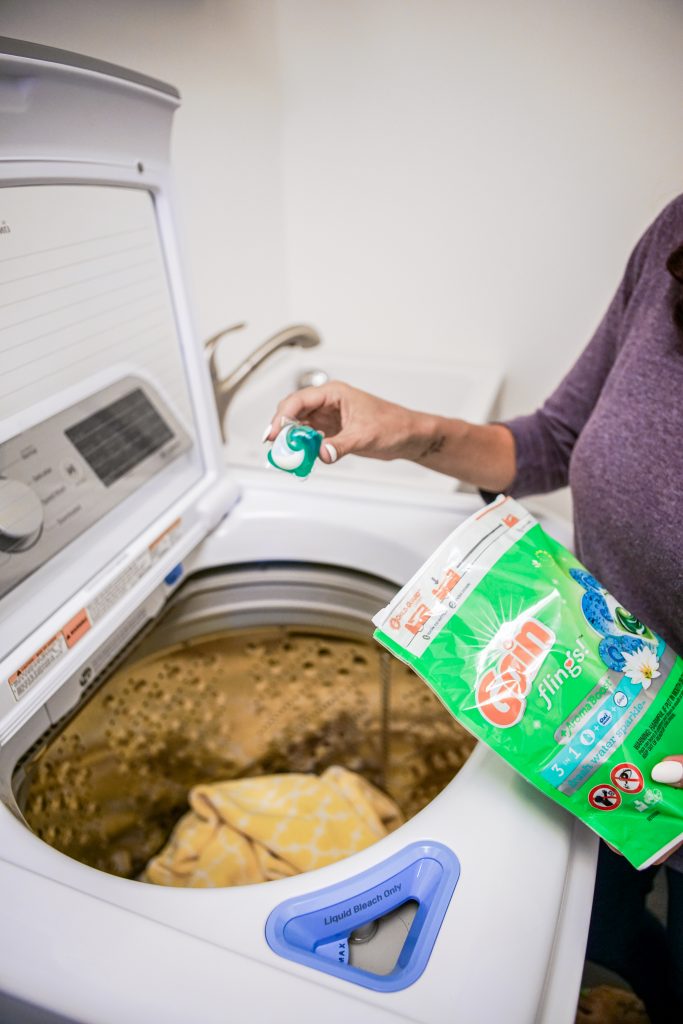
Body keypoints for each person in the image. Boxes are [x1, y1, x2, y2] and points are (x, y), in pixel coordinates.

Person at [264, 194, 683, 1022]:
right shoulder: (675, 235)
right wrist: (409, 430)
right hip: (596, 728)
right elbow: (557, 438)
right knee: (592, 941)